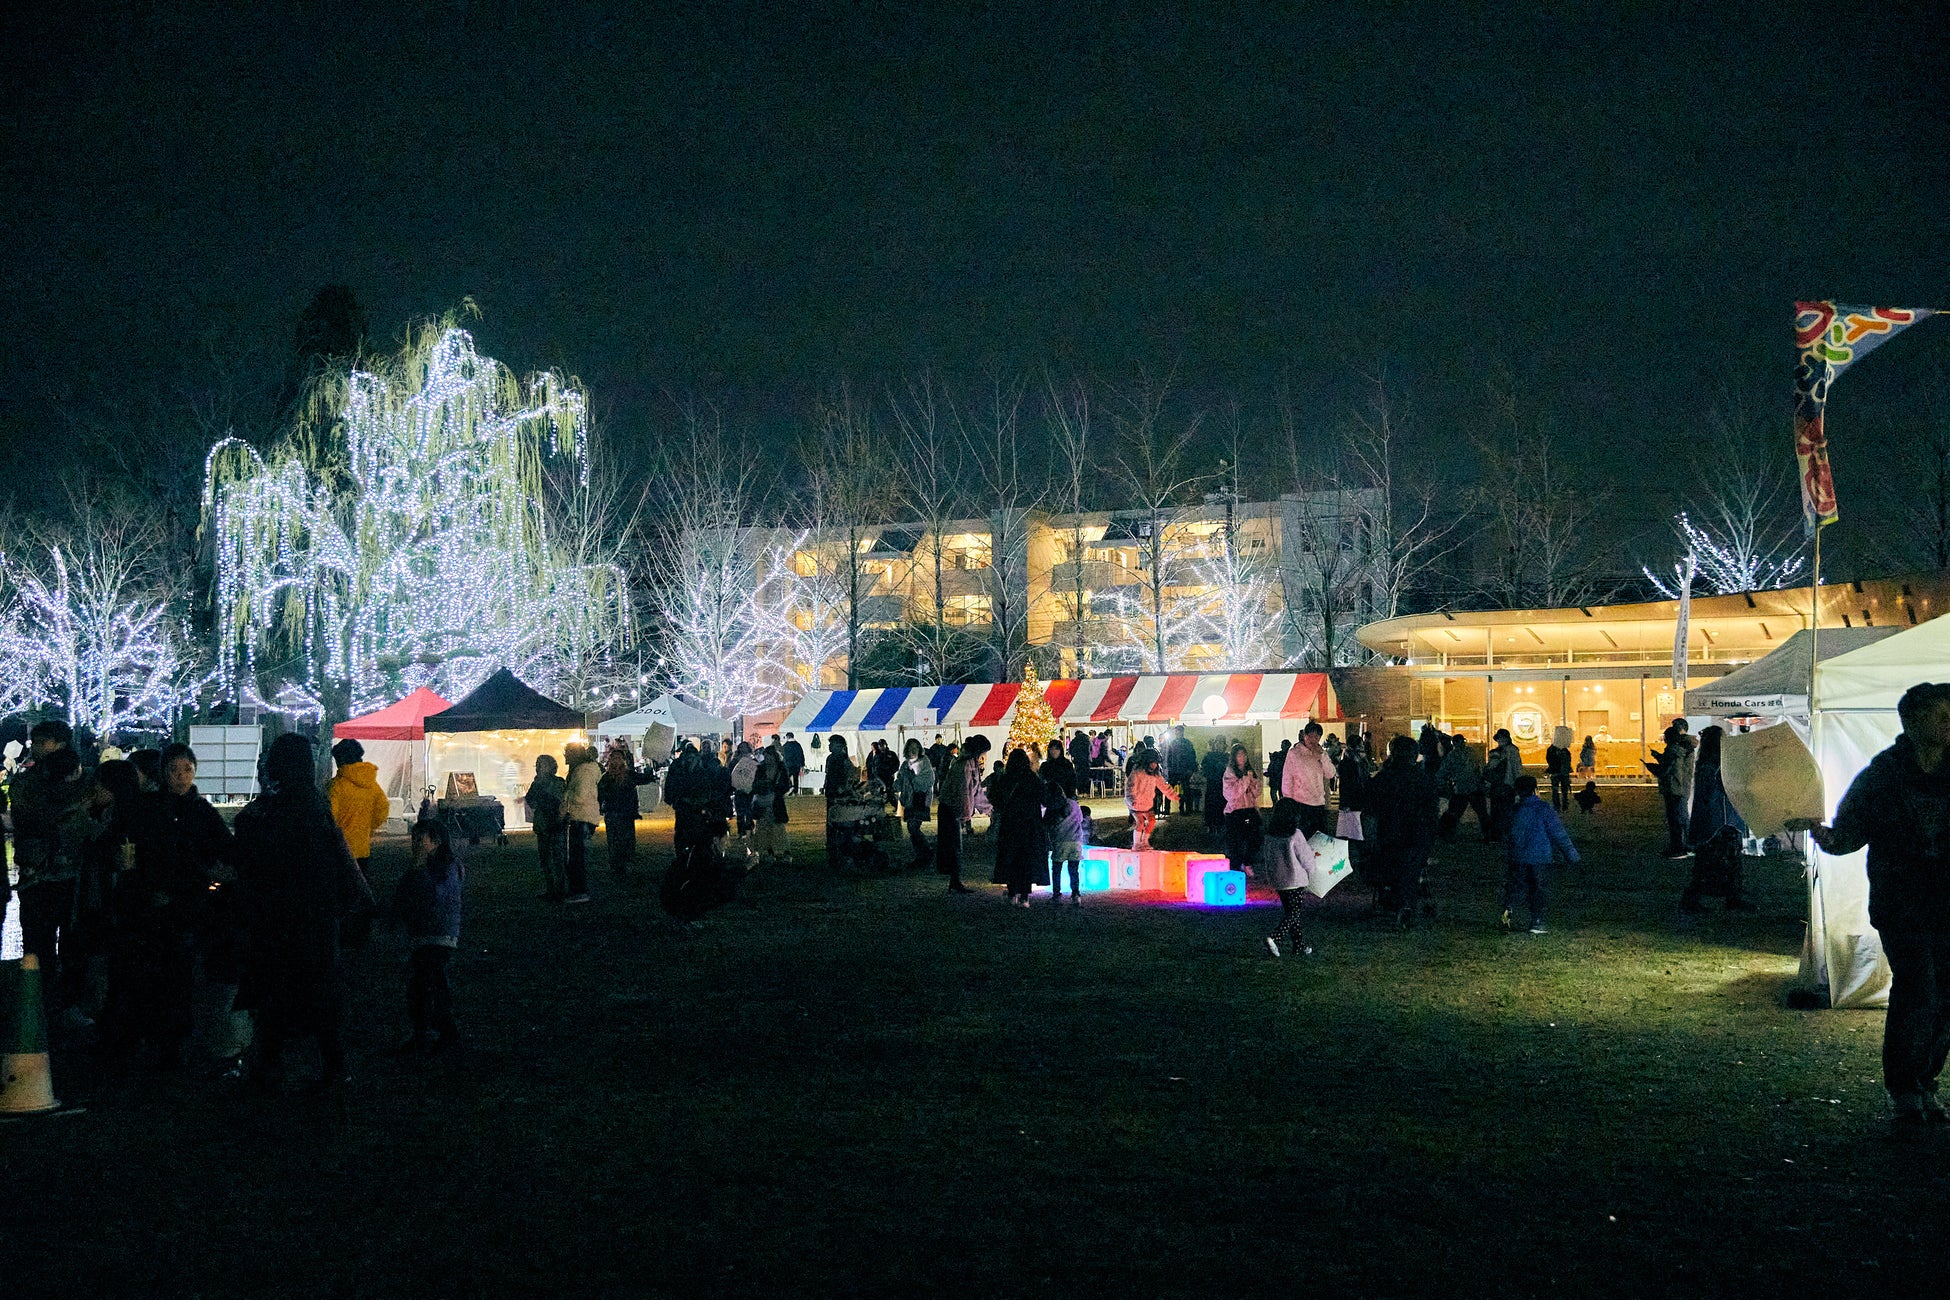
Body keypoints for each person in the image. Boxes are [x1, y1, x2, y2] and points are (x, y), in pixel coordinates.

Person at [1806, 682, 1950, 1126]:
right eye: (1941, 716)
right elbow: (1849, 833)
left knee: (1945, 995)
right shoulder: (1883, 775)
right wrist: (1823, 835)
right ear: (1912, 721)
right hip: (1902, 903)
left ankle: (1925, 1083)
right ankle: (1904, 1088)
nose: (1949, 724)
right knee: (1918, 989)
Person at [234, 734, 375, 1094]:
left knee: (278, 990)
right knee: (319, 993)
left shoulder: (282, 809)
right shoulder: (314, 802)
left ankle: (271, 1065)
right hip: (318, 914)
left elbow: (262, 856)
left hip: (285, 916)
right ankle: (329, 1065)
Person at [388, 816, 462, 1053]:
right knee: (431, 984)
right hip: (439, 935)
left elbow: (426, 898)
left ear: (436, 841)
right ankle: (440, 1031)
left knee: (424, 986)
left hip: (433, 935)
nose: (416, 844)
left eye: (421, 840)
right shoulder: (450, 868)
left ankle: (434, 1032)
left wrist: (417, 868)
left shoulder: (435, 871)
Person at [1366, 735, 1440, 926]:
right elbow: (1432, 812)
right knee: (1411, 870)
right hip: (1417, 834)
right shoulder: (1424, 779)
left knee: (1391, 867)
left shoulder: (1383, 779)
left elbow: (1370, 809)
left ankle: (1392, 900)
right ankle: (1406, 904)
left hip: (1389, 833)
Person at [1683, 725, 1754, 912]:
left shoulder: (1705, 766)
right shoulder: (1714, 768)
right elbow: (1721, 791)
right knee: (1724, 861)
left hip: (1712, 823)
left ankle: (1721, 897)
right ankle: (1726, 898)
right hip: (1721, 823)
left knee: (1709, 863)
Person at [327, 738, 390, 947]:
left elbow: (330, 818)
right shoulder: (372, 784)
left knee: (342, 896)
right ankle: (362, 934)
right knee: (361, 890)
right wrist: (367, 827)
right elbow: (382, 809)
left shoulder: (336, 786)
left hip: (340, 851)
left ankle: (345, 936)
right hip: (362, 848)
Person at [1501, 774, 1578, 935]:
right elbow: (1558, 833)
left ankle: (1509, 910)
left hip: (1518, 857)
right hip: (1540, 858)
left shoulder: (1514, 810)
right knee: (1538, 889)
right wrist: (1572, 855)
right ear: (1535, 789)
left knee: (1516, 887)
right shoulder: (1543, 808)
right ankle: (1537, 922)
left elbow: (1506, 831)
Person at [991, 749, 1055, 907]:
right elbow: (1045, 798)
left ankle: (1012, 893)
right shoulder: (1032, 779)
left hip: (1010, 824)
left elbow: (996, 798)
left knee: (1011, 858)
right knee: (1027, 859)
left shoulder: (1006, 779)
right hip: (1030, 825)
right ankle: (1024, 897)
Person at [1259, 797, 1317, 958]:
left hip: (1279, 880)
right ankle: (1274, 937)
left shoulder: (1270, 836)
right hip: (1295, 880)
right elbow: (1305, 857)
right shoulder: (1295, 835)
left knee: (1291, 913)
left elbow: (1268, 858)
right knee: (1293, 914)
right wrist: (1312, 869)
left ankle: (1299, 945)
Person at [935, 735, 989, 894]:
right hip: (951, 809)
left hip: (953, 808)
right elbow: (963, 791)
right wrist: (965, 814)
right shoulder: (965, 765)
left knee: (954, 846)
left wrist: (989, 809)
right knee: (954, 846)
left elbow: (975, 792)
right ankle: (955, 881)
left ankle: (955, 880)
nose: (984, 757)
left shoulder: (969, 764)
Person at [598, 746, 654, 878]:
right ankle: (617, 865)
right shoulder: (607, 778)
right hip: (614, 813)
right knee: (615, 841)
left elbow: (645, 778)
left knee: (625, 840)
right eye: (614, 758)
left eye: (618, 758)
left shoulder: (628, 775)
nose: (616, 760)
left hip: (625, 814)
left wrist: (650, 766)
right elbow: (600, 795)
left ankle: (623, 864)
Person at [1278, 722, 1337, 839]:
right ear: (1304, 736)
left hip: (1318, 803)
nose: (1312, 740)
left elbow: (1330, 774)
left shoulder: (1322, 753)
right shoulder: (1294, 753)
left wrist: (1322, 756)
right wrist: (1288, 801)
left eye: (1316, 737)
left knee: (1319, 839)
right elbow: (1287, 778)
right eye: (1310, 736)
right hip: (1300, 803)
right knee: (1302, 838)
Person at [522, 754, 569, 901]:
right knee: (546, 858)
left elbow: (560, 801)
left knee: (557, 858)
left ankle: (559, 889)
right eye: (537, 764)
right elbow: (530, 800)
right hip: (544, 824)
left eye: (541, 764)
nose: (538, 767)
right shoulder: (538, 783)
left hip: (555, 823)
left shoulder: (557, 782)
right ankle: (551, 888)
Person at [561, 743, 601, 902]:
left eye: (567, 753)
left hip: (581, 817)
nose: (565, 756)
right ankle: (577, 889)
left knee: (578, 857)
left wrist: (567, 796)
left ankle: (579, 891)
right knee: (578, 856)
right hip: (583, 816)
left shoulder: (583, 772)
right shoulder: (585, 770)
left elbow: (581, 796)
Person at [1655, 719, 1697, 859]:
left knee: (1676, 819)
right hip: (1681, 787)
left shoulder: (1675, 749)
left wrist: (1657, 767)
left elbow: (1670, 769)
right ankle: (1686, 846)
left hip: (1674, 787)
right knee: (1682, 818)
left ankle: (1679, 848)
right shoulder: (1686, 747)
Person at [1221, 743, 1263, 879]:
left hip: (1250, 809)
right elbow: (1231, 794)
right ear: (1234, 757)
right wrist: (1245, 780)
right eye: (1239, 755)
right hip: (1235, 811)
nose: (1242, 758)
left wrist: (1253, 784)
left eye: (1244, 755)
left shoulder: (1250, 771)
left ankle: (1248, 862)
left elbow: (1257, 792)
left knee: (1254, 839)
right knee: (1236, 842)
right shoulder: (1229, 773)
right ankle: (1236, 867)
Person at [1436, 734, 1489, 841]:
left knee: (1454, 812)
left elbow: (1443, 771)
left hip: (1461, 788)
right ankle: (1488, 835)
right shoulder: (1472, 753)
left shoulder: (1453, 755)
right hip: (1473, 787)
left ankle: (1447, 834)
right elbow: (1481, 767)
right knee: (1481, 813)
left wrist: (1442, 783)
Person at [1046, 767, 1088, 905]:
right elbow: (1080, 819)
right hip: (1075, 840)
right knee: (1074, 870)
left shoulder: (1052, 808)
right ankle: (1076, 895)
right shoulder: (1073, 804)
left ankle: (1056, 895)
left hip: (1060, 841)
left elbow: (1048, 825)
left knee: (1057, 869)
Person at [895, 738, 936, 869]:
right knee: (911, 828)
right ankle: (921, 855)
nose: (912, 751)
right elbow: (900, 779)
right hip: (909, 799)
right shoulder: (905, 764)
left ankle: (926, 851)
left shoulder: (924, 763)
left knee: (913, 827)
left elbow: (929, 779)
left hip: (920, 798)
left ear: (919, 749)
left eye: (915, 748)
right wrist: (896, 786)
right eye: (910, 748)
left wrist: (914, 779)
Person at [751, 739, 792, 866]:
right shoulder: (760, 769)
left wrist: (776, 789)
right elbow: (755, 785)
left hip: (775, 802)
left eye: (770, 756)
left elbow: (786, 785)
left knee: (777, 827)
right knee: (762, 827)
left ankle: (779, 851)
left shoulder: (781, 769)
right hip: (763, 801)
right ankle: (765, 851)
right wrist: (762, 786)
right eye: (766, 756)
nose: (768, 759)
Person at [1126, 752, 1177, 851]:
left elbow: (1163, 786)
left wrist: (1172, 795)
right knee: (1140, 822)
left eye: (1156, 763)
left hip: (1147, 803)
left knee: (1152, 821)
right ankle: (1136, 844)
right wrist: (1132, 800)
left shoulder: (1156, 775)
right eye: (1152, 762)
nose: (1154, 765)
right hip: (1136, 803)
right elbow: (1130, 788)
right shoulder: (1137, 773)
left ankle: (1144, 842)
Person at [1483, 728, 1524, 842]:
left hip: (1501, 786)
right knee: (1504, 811)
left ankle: (1498, 834)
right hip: (1504, 785)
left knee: (1498, 811)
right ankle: (1503, 834)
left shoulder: (1500, 752)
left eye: (1501, 738)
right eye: (1499, 738)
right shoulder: (1510, 751)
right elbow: (1517, 769)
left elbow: (1515, 769)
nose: (1500, 740)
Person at [1165, 725, 1197, 814]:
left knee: (1186, 791)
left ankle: (1187, 809)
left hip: (1184, 771)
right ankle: (1167, 809)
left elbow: (1192, 757)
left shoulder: (1187, 744)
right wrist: (1169, 769)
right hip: (1175, 770)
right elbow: (1169, 757)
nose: (1177, 733)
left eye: (1179, 731)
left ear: (1182, 732)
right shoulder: (1173, 743)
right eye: (1176, 731)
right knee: (1171, 790)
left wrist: (1190, 769)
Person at [1200, 738, 1230, 835]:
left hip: (1223, 786)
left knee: (1222, 805)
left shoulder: (1227, 757)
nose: (1219, 745)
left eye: (1221, 743)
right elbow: (1204, 769)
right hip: (1212, 784)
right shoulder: (1209, 756)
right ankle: (1210, 824)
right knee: (1211, 805)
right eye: (1218, 743)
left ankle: (1220, 825)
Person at [1545, 735, 1573, 812]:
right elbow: (1568, 760)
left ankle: (1557, 805)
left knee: (1555, 790)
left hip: (1555, 771)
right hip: (1563, 772)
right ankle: (1564, 805)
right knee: (1564, 790)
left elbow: (1548, 759)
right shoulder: (1564, 750)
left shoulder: (1551, 749)